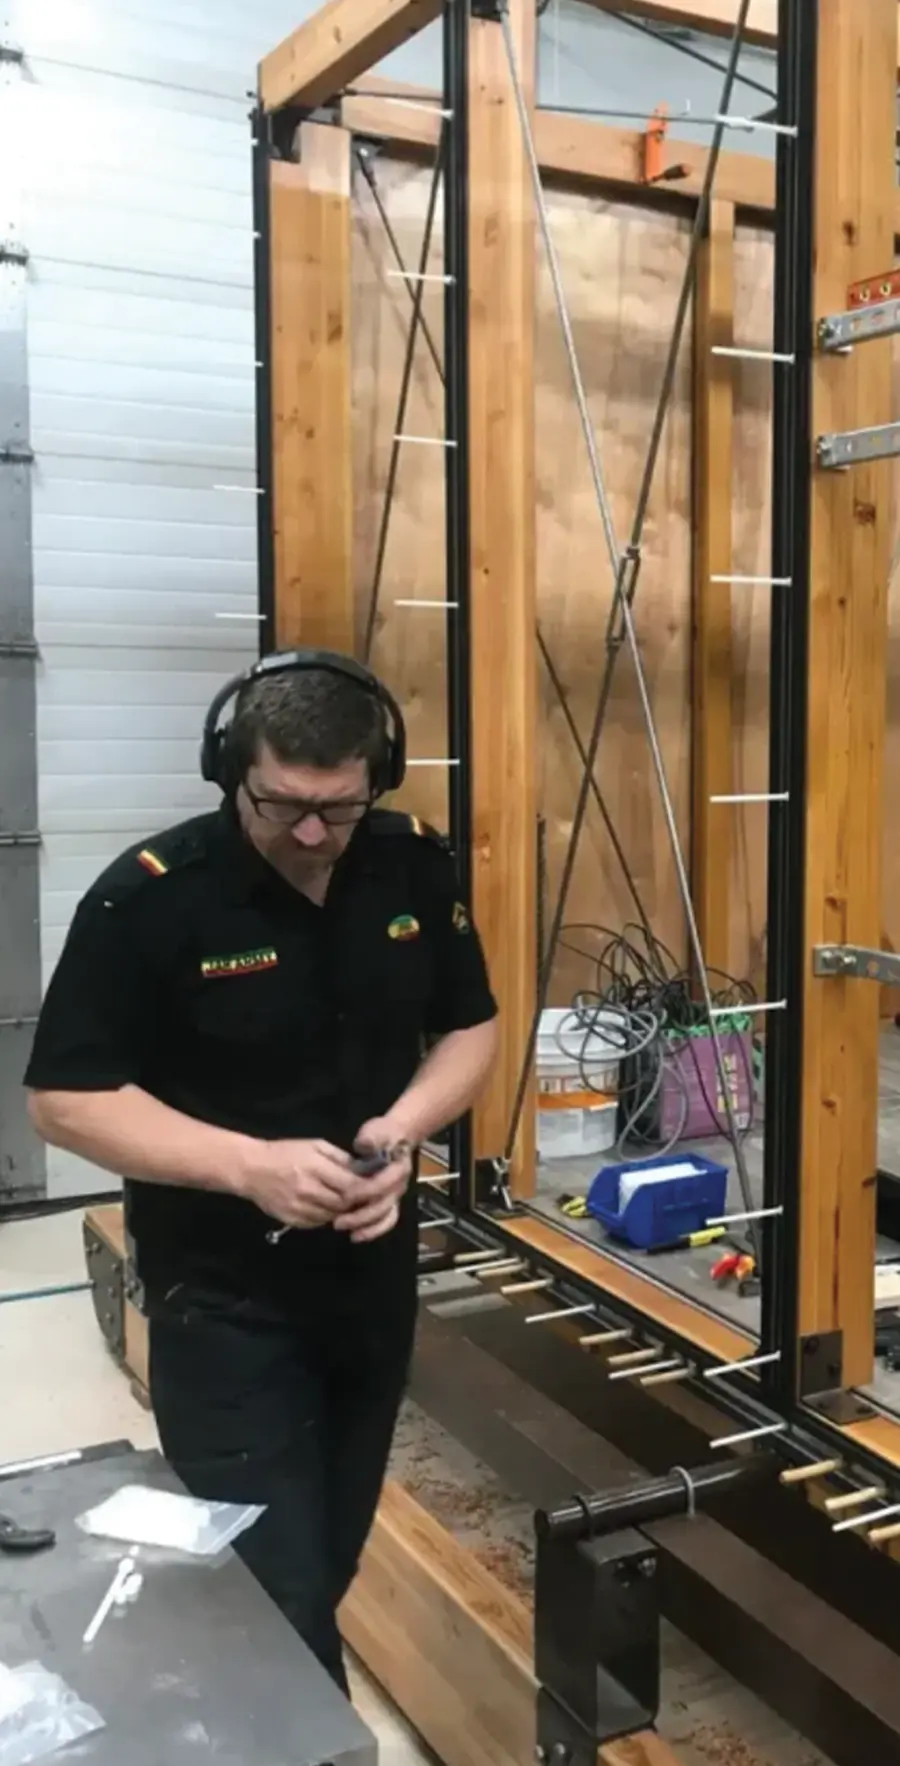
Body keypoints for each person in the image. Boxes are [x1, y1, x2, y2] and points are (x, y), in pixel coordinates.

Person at [24, 650, 499, 1691]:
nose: (315, 834)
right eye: (283, 806)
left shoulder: (413, 863)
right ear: (232, 771)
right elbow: (64, 1097)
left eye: (340, 805)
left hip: (370, 1285)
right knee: (271, 1589)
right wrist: (250, 1166)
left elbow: (471, 1027)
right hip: (223, 1295)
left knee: (325, 1560)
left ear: (378, 775)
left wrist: (405, 1126)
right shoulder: (149, 901)